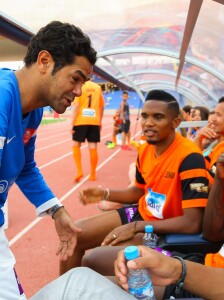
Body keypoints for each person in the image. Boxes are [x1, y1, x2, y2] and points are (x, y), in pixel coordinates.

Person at [28, 96, 224, 300]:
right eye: (144, 115)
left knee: (84, 281)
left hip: (196, 262)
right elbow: (215, 232)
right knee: (84, 254)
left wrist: (175, 266)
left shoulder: (190, 157)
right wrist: (221, 178)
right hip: (190, 251)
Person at [59, 90, 209, 275]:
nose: (148, 123)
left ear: (175, 122)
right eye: (145, 116)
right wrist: (105, 193)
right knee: (75, 233)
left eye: (158, 117)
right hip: (142, 214)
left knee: (93, 259)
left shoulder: (190, 157)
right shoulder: (146, 148)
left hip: (162, 228)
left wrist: (136, 227)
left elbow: (192, 222)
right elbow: (137, 191)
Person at [0, 21, 97, 299]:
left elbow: (26, 168)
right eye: (75, 78)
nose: (79, 92)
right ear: (44, 61)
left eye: (84, 83)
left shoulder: (33, 111)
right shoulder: (1, 97)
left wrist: (56, 210)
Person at [71, 79, 105, 182]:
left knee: (76, 145)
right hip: (94, 120)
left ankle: (79, 171)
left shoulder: (79, 86)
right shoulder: (97, 87)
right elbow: (101, 106)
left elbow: (76, 106)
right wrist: (100, 121)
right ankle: (93, 174)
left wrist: (72, 123)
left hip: (80, 120)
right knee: (93, 146)